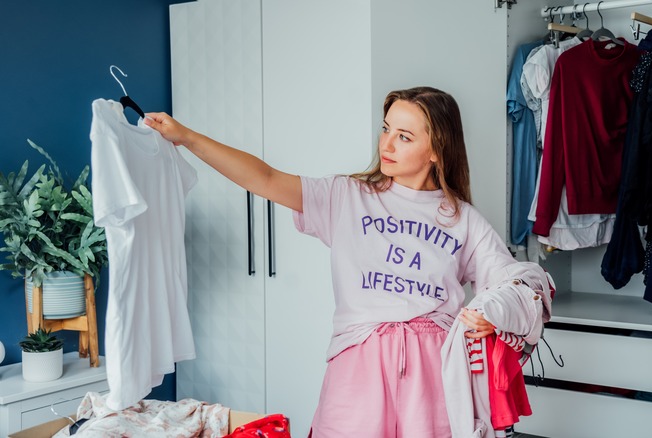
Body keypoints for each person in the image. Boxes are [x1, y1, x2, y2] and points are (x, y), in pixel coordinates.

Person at [145, 86, 526, 437]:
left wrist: (492, 313)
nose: (387, 144)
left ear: (436, 149)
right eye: (386, 129)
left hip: (434, 371)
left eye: (404, 136)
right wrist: (186, 137)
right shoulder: (347, 196)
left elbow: (514, 281)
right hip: (359, 362)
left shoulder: (463, 220)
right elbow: (263, 177)